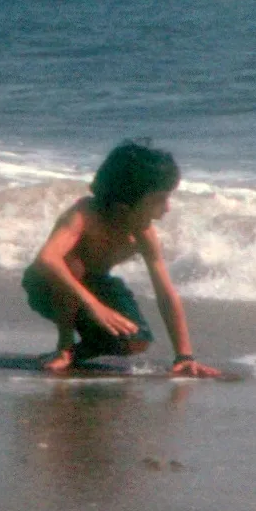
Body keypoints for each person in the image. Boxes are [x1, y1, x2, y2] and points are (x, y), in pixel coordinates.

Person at [22, 140, 221, 377]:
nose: (166, 208)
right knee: (71, 264)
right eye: (158, 200)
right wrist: (93, 305)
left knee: (136, 340)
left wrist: (184, 356)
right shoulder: (85, 214)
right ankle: (64, 347)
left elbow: (165, 293)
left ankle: (77, 352)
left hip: (97, 284)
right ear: (123, 206)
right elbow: (47, 259)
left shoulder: (142, 232)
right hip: (48, 286)